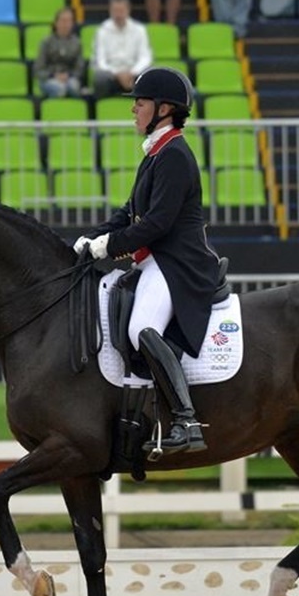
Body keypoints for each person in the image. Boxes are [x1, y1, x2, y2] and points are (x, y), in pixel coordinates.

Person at [73, 67, 220, 456]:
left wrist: (108, 247)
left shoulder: (175, 155)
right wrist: (92, 238)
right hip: (157, 260)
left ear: (164, 109)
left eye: (140, 103)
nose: (133, 110)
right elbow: (129, 212)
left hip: (177, 264)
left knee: (141, 327)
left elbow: (156, 224)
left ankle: (187, 419)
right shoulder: (157, 153)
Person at [91, 0, 154, 98]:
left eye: (121, 11)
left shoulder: (139, 30)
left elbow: (145, 57)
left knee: (150, 75)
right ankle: (102, 106)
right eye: (115, 11)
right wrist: (118, 74)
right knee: (99, 78)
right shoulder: (102, 31)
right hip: (111, 75)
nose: (118, 14)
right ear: (110, 11)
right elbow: (100, 61)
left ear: (128, 10)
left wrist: (132, 73)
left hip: (134, 74)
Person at [33, 7, 85, 98]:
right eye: (63, 21)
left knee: (74, 87)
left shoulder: (77, 43)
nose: (66, 24)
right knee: (60, 89)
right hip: (49, 78)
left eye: (69, 21)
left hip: (69, 77)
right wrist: (54, 75)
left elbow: (79, 68)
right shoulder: (46, 42)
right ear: (56, 23)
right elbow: (39, 68)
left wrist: (68, 75)